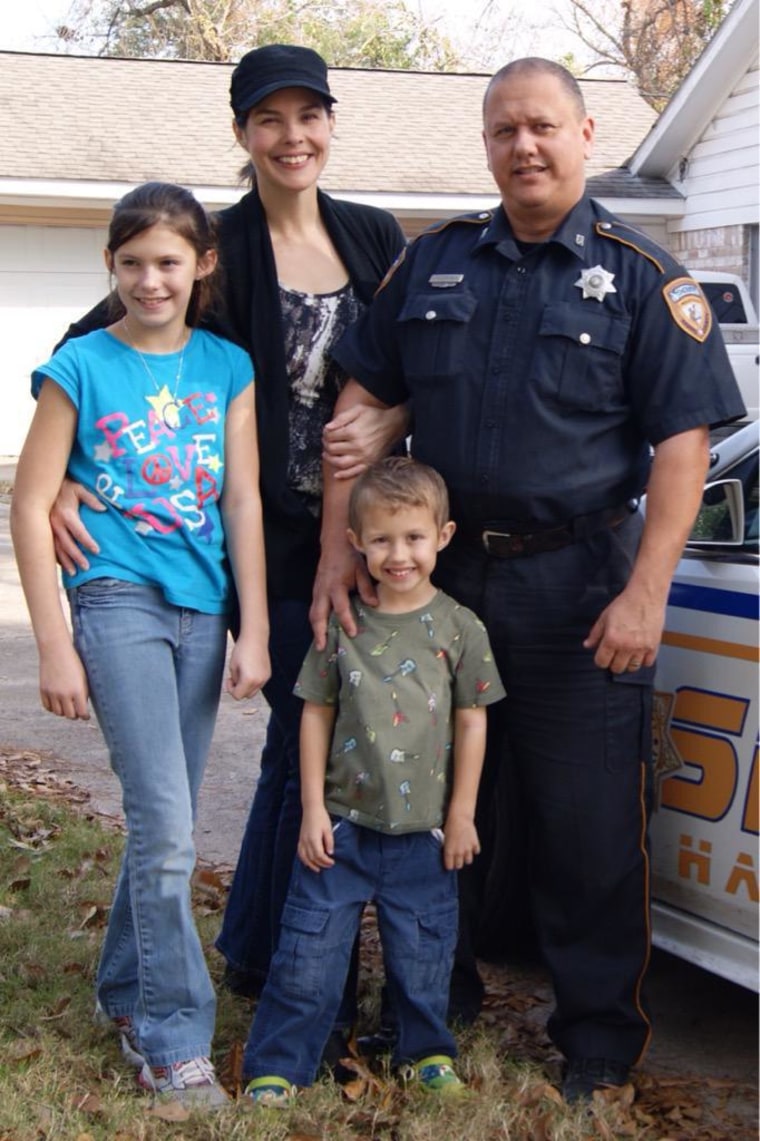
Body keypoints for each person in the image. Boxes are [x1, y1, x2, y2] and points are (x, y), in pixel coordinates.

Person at [310, 58, 747, 1103]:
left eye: (542, 127)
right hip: (438, 586)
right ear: (486, 141)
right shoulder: (434, 266)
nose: (523, 146)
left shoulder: (644, 277)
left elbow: (682, 448)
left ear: (585, 135)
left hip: (580, 588)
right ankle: (431, 1001)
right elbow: (358, 418)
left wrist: (646, 593)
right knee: (423, 801)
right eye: (504, 129)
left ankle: (596, 1044)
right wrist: (337, 552)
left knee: (586, 822)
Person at [44, 44, 408, 1004]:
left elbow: (415, 366)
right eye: (269, 119)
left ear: (332, 123)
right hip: (256, 545)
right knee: (304, 739)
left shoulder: (374, 237)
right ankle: (272, 966)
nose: (293, 137)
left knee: (310, 750)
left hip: (360, 539)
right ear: (243, 133)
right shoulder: (218, 241)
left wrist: (394, 421)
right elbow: (96, 343)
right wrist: (71, 479)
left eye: (309, 115)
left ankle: (259, 952)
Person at [10, 182, 271, 1108]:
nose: (149, 280)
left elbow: (241, 499)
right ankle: (170, 1037)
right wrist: (53, 644)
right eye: (131, 263)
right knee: (167, 826)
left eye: (168, 262)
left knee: (167, 818)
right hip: (116, 599)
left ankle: (125, 988)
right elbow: (30, 505)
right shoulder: (79, 365)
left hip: (204, 608)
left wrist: (255, 625)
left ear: (202, 265)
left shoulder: (227, 366)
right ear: (110, 268)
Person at [242, 457, 505, 1105]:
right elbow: (314, 714)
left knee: (422, 955)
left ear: (442, 536)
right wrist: (309, 809)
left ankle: (425, 1052)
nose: (399, 554)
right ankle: (279, 1062)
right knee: (307, 955)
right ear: (356, 540)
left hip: (426, 833)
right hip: (341, 826)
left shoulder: (460, 627)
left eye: (414, 537)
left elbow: (473, 724)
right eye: (382, 539)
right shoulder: (343, 626)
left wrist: (464, 814)